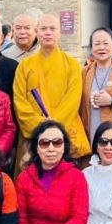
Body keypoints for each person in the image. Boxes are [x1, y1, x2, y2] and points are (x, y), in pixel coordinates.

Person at [13, 13, 91, 164]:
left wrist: (52, 129)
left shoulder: (72, 65)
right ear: (37, 32)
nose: (48, 32)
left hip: (64, 136)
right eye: (43, 29)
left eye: (52, 29)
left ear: (59, 33)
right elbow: (19, 101)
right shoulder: (25, 65)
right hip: (34, 138)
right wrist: (40, 127)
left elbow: (72, 102)